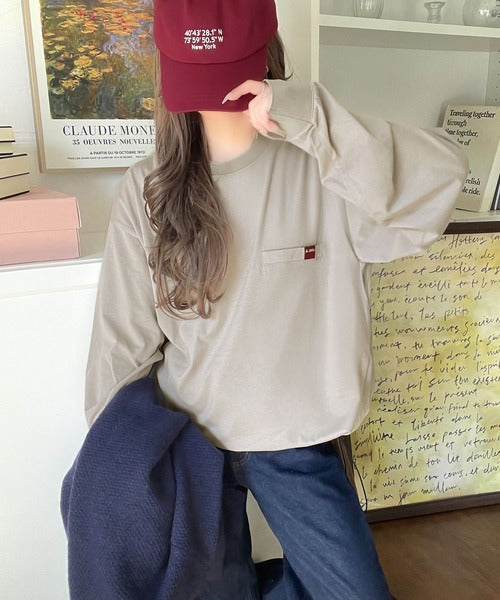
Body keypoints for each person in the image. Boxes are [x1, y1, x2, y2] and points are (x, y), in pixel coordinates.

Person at [84, 0, 468, 598]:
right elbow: (122, 340)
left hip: (298, 443)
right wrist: (112, 466)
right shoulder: (148, 188)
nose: (217, 98)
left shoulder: (328, 171)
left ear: (267, 57)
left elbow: (443, 181)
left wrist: (308, 116)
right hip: (190, 446)